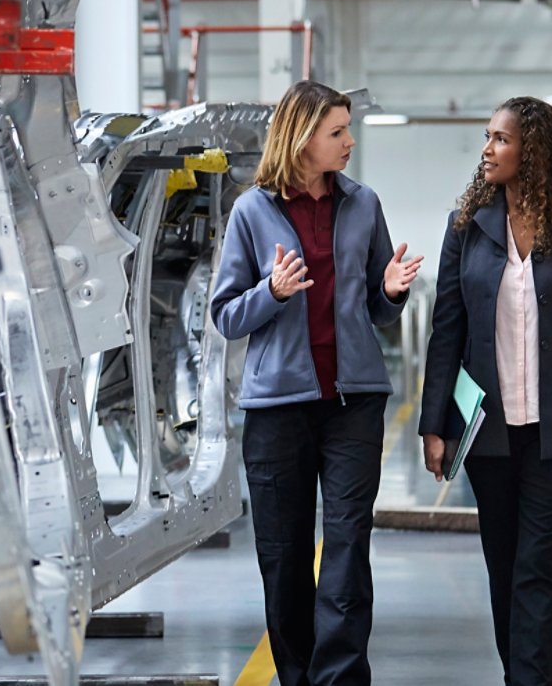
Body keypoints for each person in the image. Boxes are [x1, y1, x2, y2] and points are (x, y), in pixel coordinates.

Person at [210, 80, 423, 686]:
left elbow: (379, 312)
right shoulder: (252, 211)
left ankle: (343, 678)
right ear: (302, 139)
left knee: (349, 546)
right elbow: (227, 316)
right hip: (278, 409)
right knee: (284, 558)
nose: (349, 141)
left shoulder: (364, 204)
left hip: (354, 403)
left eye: (348, 130)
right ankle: (298, 677)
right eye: (337, 132)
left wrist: (390, 289)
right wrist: (270, 293)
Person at [418, 96, 552, 685]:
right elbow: (446, 330)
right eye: (487, 138)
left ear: (533, 151)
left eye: (501, 139)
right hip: (488, 435)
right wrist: (435, 425)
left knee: (537, 568)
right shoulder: (467, 228)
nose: (487, 150)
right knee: (504, 569)